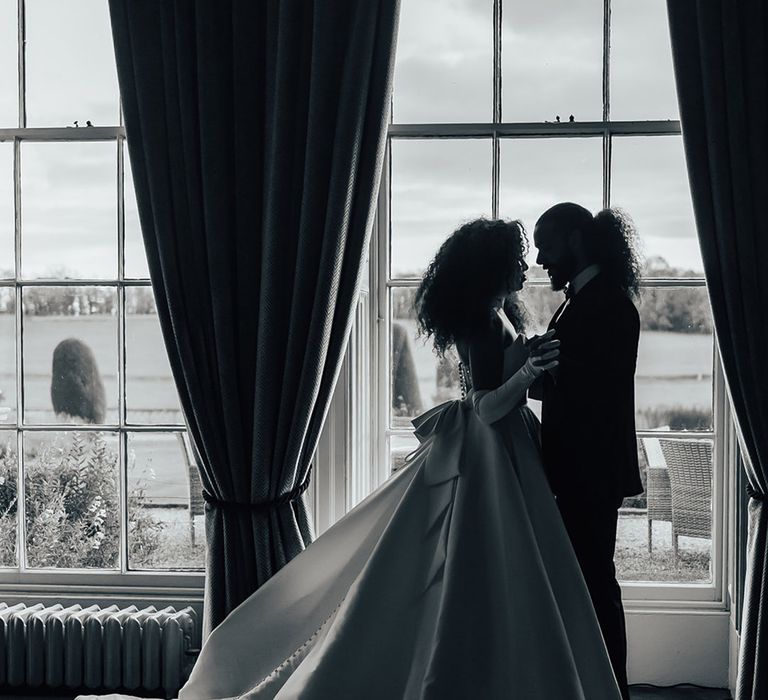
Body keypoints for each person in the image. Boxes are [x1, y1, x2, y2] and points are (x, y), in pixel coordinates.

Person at [170, 218, 621, 699]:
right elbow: (485, 407)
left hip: (505, 454)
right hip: (485, 455)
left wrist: (526, 362)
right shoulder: (479, 324)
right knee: (472, 564)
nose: (525, 267)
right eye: (514, 261)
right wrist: (529, 367)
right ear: (490, 268)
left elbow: (500, 393)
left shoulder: (501, 314)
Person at [532, 202, 643, 700]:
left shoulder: (613, 305)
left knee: (597, 585)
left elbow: (607, 386)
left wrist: (551, 367)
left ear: (576, 239)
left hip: (592, 474)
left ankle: (613, 689)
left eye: (547, 245)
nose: (540, 260)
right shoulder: (574, 300)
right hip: (569, 470)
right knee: (580, 585)